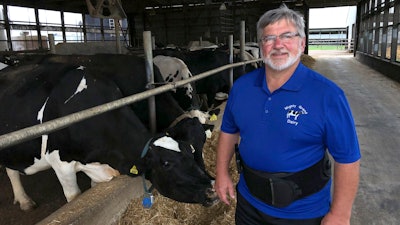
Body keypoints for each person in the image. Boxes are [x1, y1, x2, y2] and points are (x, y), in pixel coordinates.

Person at [215, 4, 361, 225]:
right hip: (249, 205)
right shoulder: (242, 88)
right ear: (261, 46)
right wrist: (222, 173)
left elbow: (347, 159)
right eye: (269, 38)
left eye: (287, 36)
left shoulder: (328, 96)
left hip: (303, 213)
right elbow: (228, 131)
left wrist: (340, 214)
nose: (278, 45)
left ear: (302, 43)